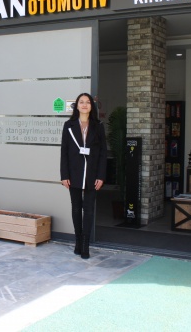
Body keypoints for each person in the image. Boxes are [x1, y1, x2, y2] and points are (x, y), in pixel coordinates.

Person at [60, 92, 107, 259]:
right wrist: (64, 175)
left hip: (92, 175)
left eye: (88, 102)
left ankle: (86, 244)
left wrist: (101, 176)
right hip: (74, 173)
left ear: (91, 106)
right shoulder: (69, 125)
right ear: (77, 106)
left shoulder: (98, 126)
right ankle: (78, 241)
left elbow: (103, 153)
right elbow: (64, 151)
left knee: (88, 210)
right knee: (75, 208)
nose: (85, 105)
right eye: (81, 102)